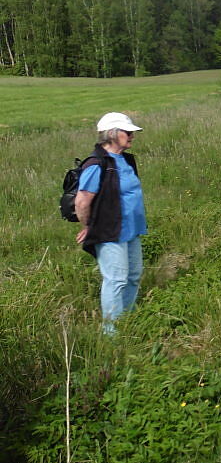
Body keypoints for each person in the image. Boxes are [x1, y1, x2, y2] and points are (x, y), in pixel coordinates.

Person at [74, 112, 147, 335]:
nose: (132, 136)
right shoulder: (96, 164)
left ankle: (127, 319)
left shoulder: (126, 160)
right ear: (113, 134)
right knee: (115, 279)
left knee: (133, 276)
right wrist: (89, 227)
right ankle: (111, 333)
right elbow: (82, 200)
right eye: (128, 132)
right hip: (109, 230)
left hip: (132, 229)